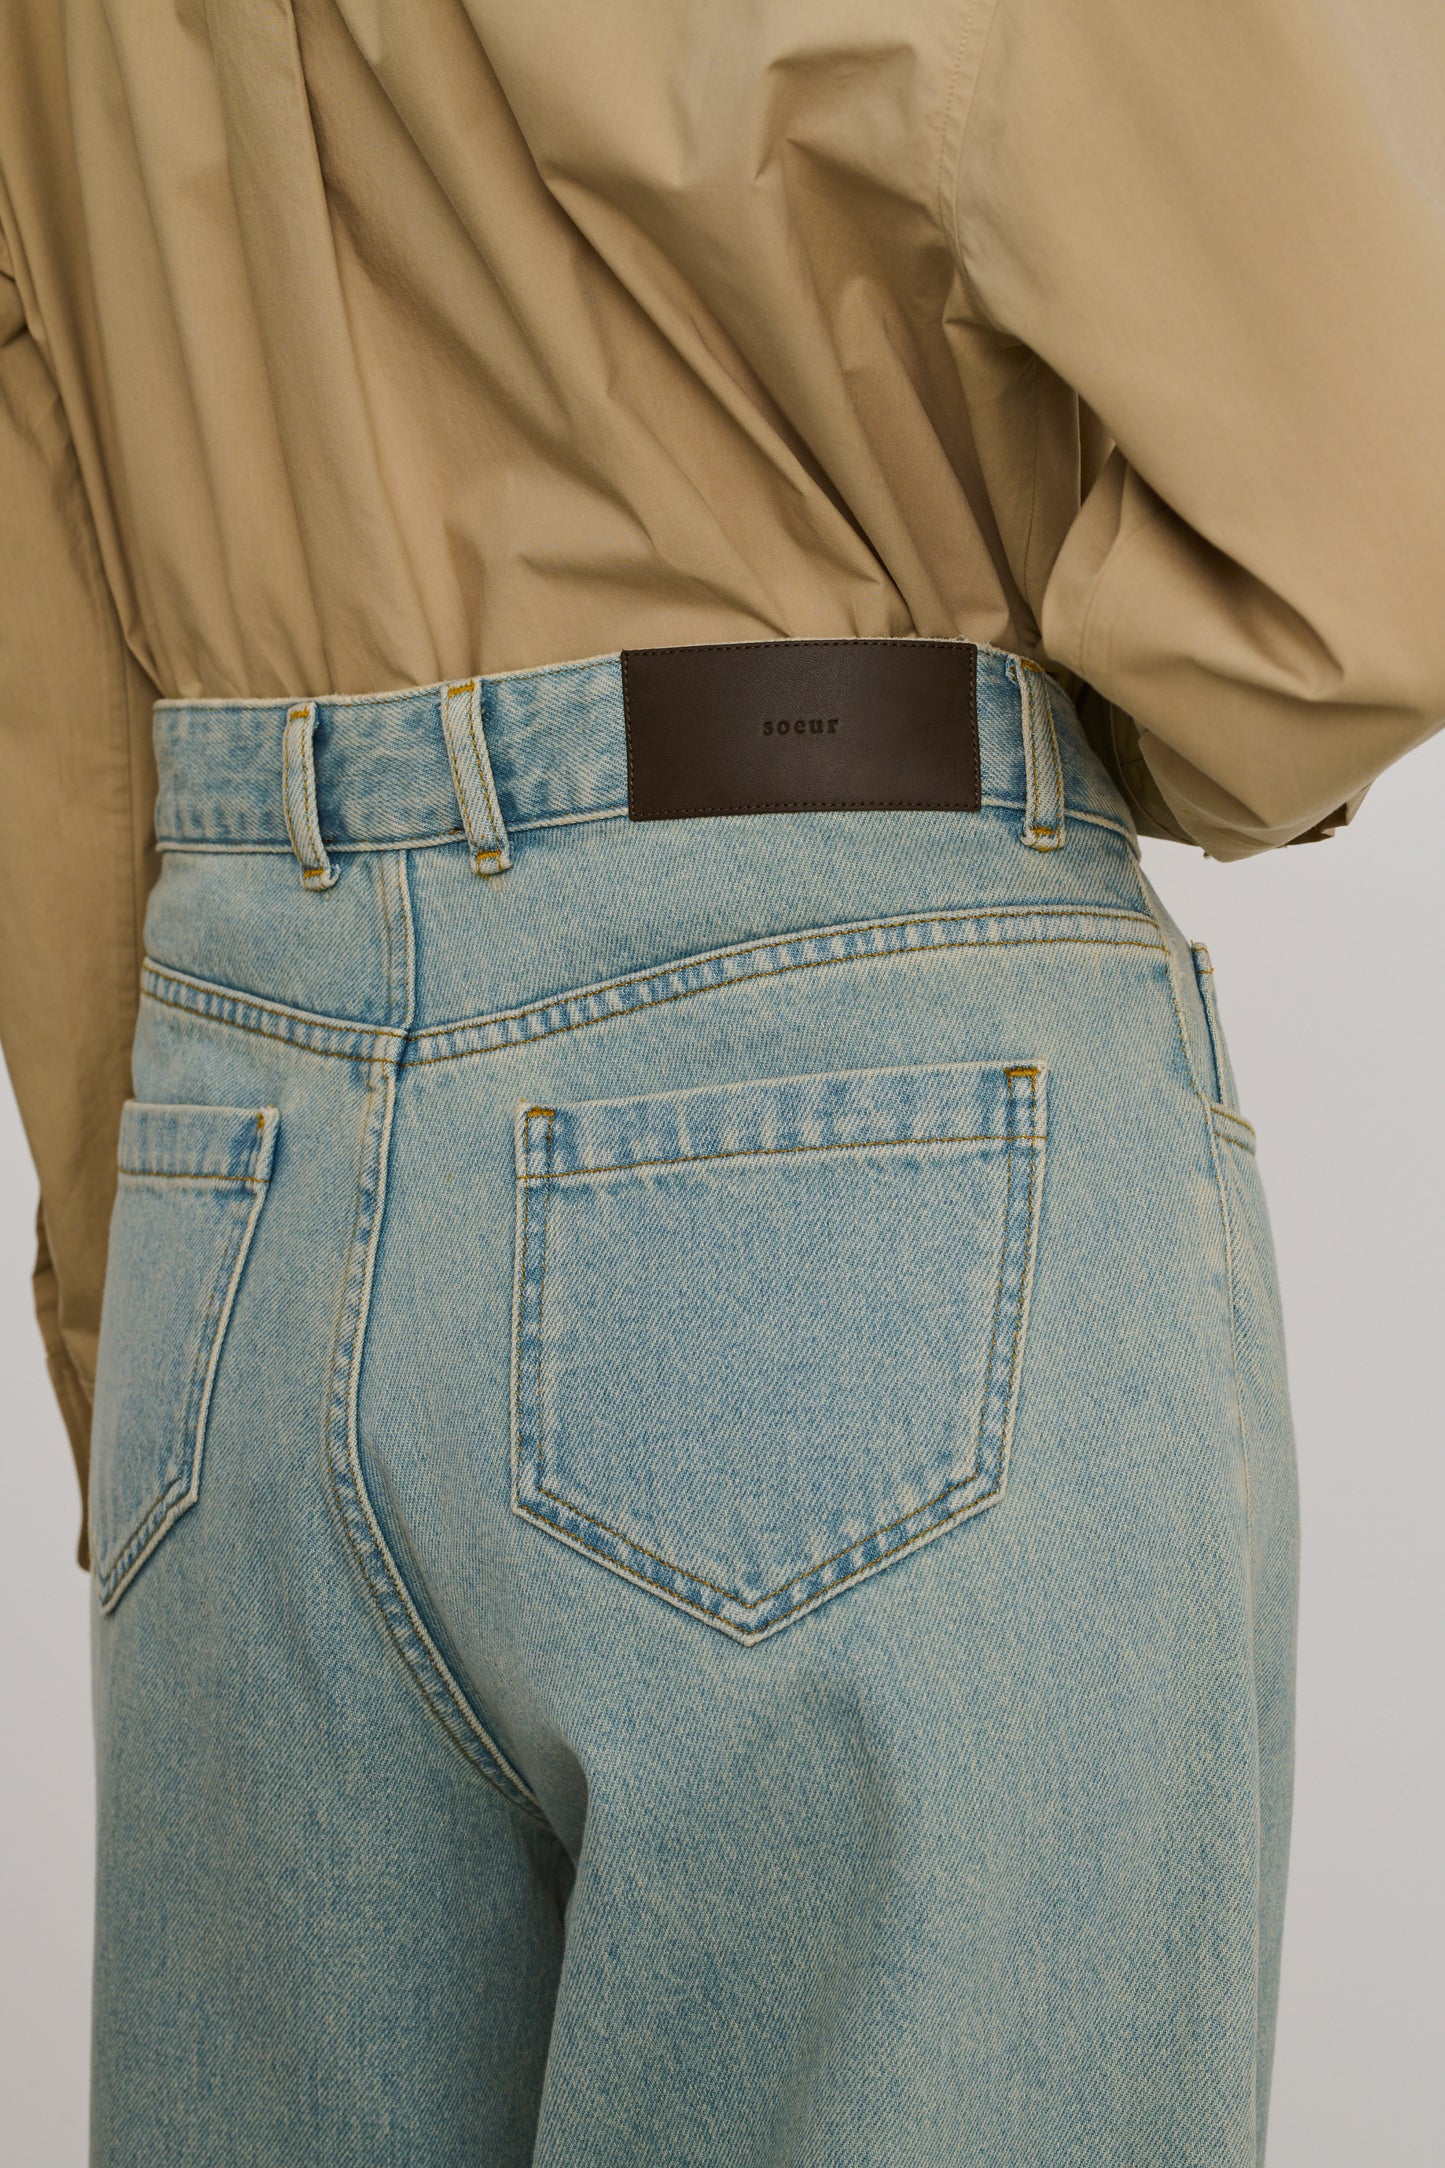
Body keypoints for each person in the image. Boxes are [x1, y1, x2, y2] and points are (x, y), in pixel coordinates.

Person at [1, 5, 1441, 2162]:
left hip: (238, 1140)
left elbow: (46, 577)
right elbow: (1369, 537)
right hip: (864, 1090)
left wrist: (139, 1307)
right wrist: (1025, 747)